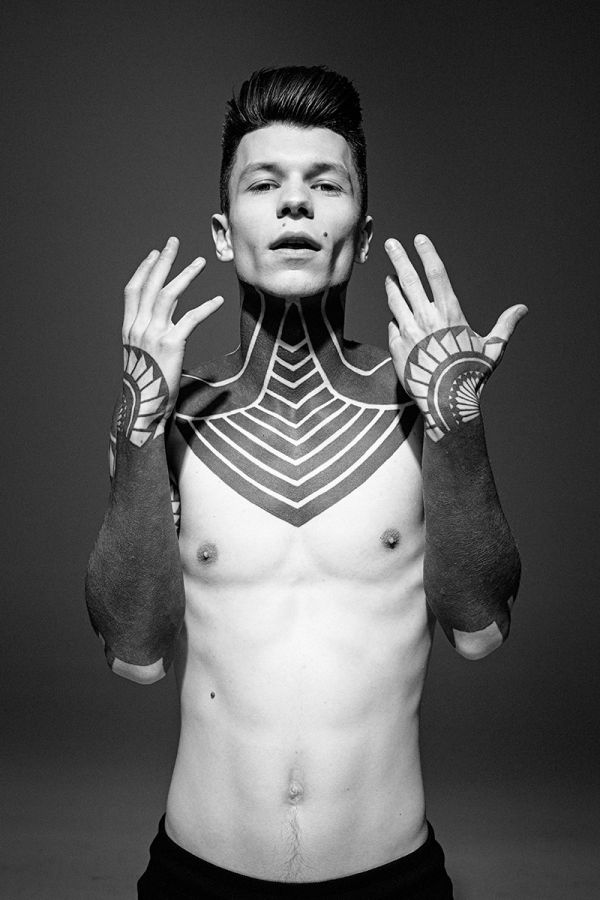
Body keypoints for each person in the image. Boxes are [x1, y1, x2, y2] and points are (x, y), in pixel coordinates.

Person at [85, 66, 526, 899]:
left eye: (326, 184)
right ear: (224, 234)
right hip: (197, 877)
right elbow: (134, 654)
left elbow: (480, 630)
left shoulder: (420, 406)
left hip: (391, 878)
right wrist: (137, 424)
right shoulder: (167, 418)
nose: (295, 203)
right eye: (265, 184)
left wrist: (458, 423)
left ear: (362, 233)